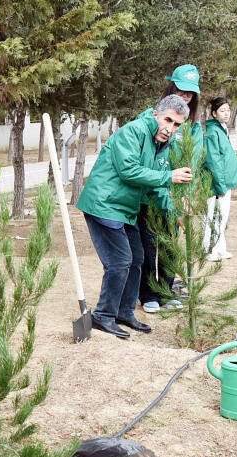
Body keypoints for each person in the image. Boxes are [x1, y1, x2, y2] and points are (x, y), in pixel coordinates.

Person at [76, 94, 192, 339]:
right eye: (167, 120)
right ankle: (103, 315)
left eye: (176, 125)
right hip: (104, 203)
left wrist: (174, 214)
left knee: (137, 257)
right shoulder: (134, 131)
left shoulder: (160, 144)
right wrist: (168, 176)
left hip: (125, 208)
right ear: (155, 115)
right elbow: (129, 171)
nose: (170, 129)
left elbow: (154, 186)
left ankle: (124, 312)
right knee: (120, 260)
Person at [137, 64, 202, 314]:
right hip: (151, 195)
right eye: (181, 89)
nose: (186, 95)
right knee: (147, 247)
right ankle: (147, 293)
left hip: (175, 197)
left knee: (170, 248)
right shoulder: (152, 116)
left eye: (191, 93)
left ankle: (165, 290)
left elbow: (192, 165)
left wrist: (187, 199)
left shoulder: (192, 129)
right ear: (170, 86)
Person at [201, 96, 237, 260]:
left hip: (226, 181)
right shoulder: (212, 131)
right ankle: (209, 250)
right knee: (214, 215)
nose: (226, 113)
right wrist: (220, 186)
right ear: (214, 113)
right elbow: (213, 160)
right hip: (216, 184)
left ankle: (220, 248)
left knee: (223, 215)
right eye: (222, 110)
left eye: (228, 110)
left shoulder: (222, 128)